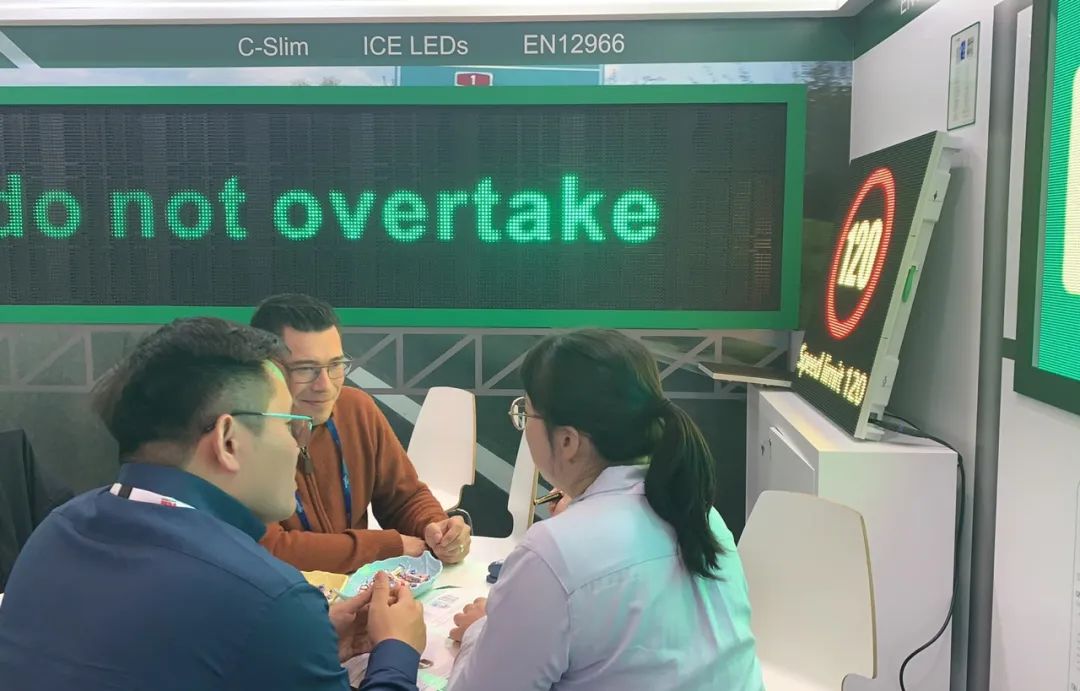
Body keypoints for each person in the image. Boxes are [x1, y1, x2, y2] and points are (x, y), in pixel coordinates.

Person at [0, 318, 427, 691]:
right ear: (228, 441)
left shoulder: (55, 532)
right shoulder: (270, 598)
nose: (299, 446)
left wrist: (300, 647)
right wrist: (396, 651)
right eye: (290, 424)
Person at [445, 329, 764, 691]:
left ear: (567, 441)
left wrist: (478, 631)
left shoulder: (552, 554)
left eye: (526, 413)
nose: (522, 426)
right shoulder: (699, 514)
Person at [251, 294, 471, 573]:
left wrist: (437, 529)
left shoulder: (357, 409)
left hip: (355, 587)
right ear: (266, 368)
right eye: (306, 369)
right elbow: (269, 548)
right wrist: (386, 546)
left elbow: (403, 498)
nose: (325, 385)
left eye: (335, 365)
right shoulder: (243, 435)